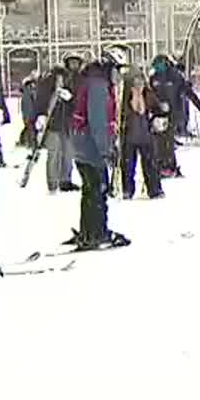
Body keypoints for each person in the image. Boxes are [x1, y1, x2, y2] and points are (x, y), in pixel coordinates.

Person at [68, 48, 127, 250]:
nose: (119, 75)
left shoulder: (94, 81)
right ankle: (97, 231)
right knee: (97, 190)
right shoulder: (99, 86)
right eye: (118, 70)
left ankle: (89, 230)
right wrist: (106, 150)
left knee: (90, 190)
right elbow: (99, 121)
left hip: (83, 145)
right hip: (90, 147)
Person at [34, 53, 83, 193]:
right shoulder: (52, 79)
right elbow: (42, 98)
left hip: (68, 122)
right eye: (71, 62)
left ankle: (65, 180)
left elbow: (79, 100)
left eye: (76, 62)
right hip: (53, 122)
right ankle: (52, 182)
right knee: (54, 152)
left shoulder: (78, 80)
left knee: (68, 153)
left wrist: (71, 99)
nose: (74, 65)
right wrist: (41, 114)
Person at [118, 69, 168, 199]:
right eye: (136, 82)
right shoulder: (124, 97)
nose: (139, 84)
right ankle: (127, 189)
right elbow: (120, 114)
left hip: (146, 134)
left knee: (150, 164)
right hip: (129, 136)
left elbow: (157, 110)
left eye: (141, 81)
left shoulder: (147, 94)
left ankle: (154, 189)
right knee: (128, 165)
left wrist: (160, 114)